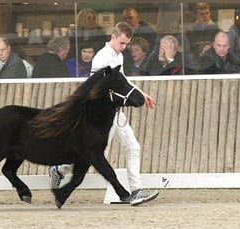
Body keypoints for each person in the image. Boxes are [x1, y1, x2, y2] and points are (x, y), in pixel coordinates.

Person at [49, 22, 159, 206]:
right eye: (122, 43)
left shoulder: (119, 56)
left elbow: (122, 81)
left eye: (126, 44)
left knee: (132, 146)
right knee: (93, 155)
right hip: (103, 114)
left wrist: (141, 94)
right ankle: (60, 168)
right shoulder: (101, 59)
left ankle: (137, 190)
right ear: (113, 37)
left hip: (115, 111)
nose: (124, 47)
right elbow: (96, 88)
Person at [122, 8, 156, 75]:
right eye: (125, 19)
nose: (128, 20)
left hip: (146, 65)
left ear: (137, 17)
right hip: (128, 66)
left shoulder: (147, 29)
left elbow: (153, 49)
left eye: (130, 18)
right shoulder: (123, 32)